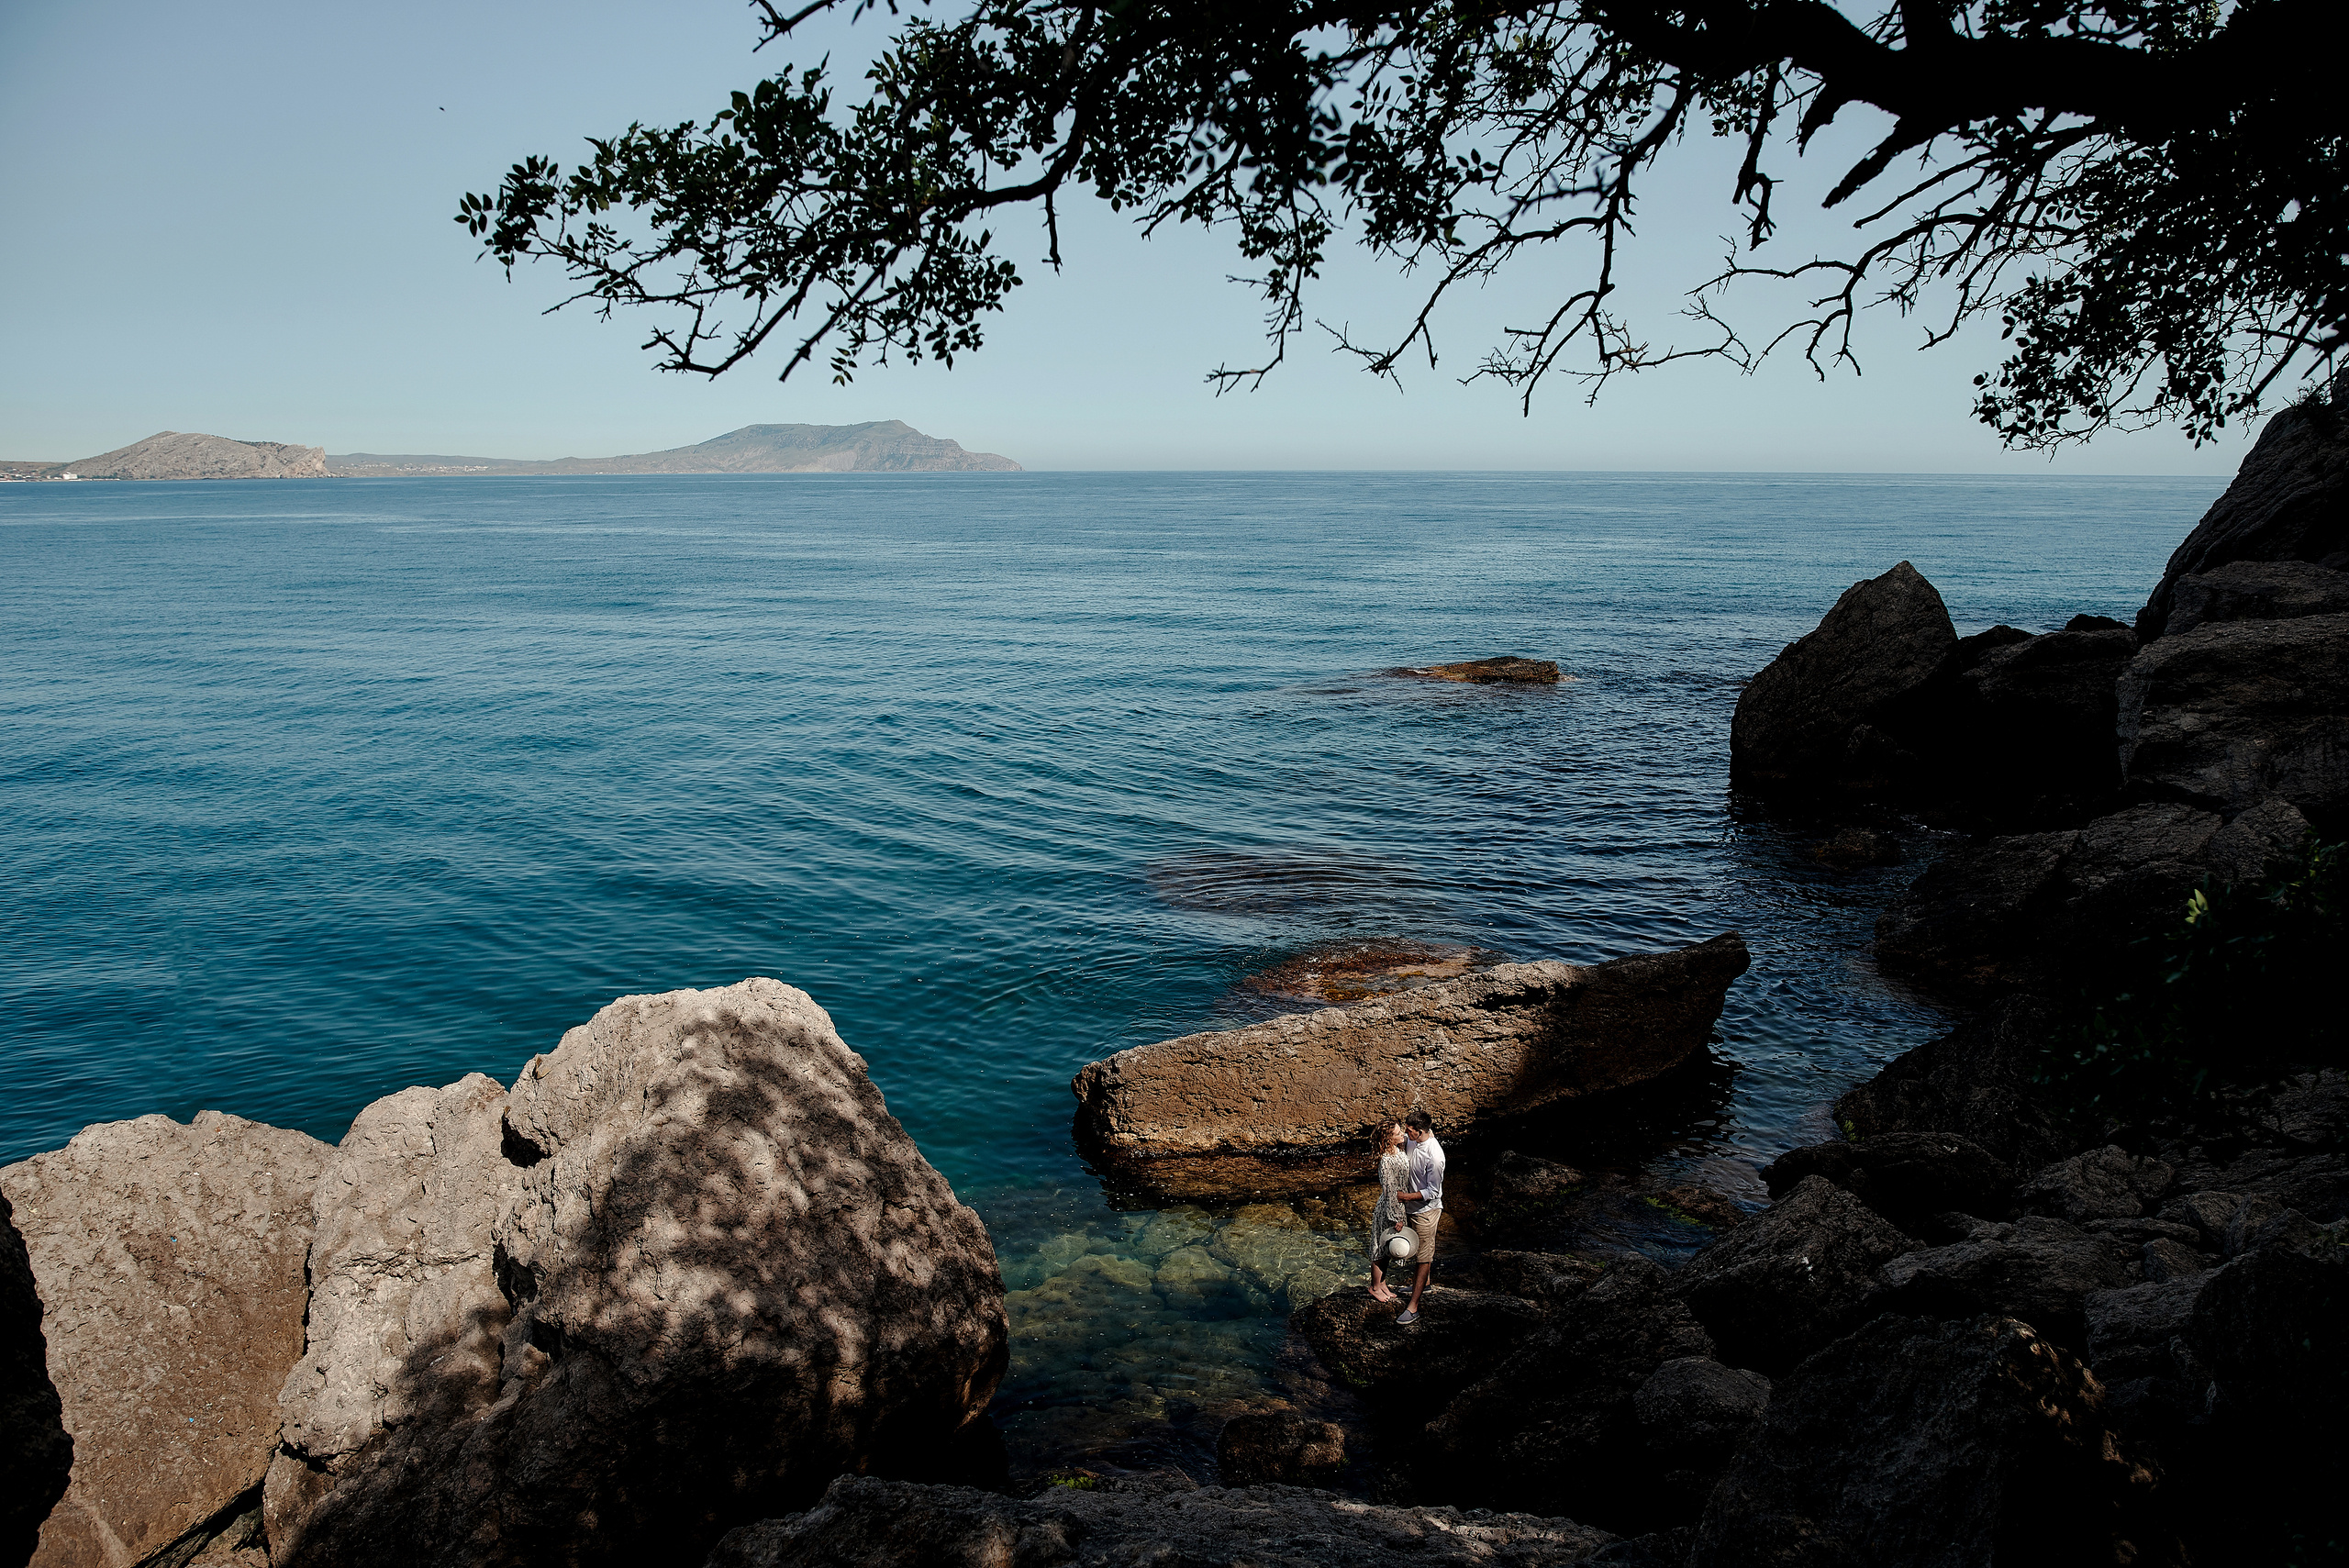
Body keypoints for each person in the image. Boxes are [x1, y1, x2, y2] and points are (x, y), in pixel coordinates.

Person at [1395, 1109, 1444, 1326]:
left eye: (1409, 1131)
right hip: (1411, 1208)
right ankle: (1426, 1284)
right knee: (1418, 1252)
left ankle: (1413, 1307)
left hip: (1426, 1212)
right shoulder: (1414, 1140)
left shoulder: (1434, 1156)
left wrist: (1404, 1196)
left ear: (1421, 1131)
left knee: (1423, 1257)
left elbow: (1434, 1192)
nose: (1406, 1134)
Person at [1367, 1121, 1409, 1303]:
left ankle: (1382, 1283)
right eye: (1399, 1133)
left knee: (1389, 1248)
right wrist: (1396, 1217)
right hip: (1388, 1209)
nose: (1403, 1134)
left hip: (1399, 1205)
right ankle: (1375, 1286)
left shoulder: (1399, 1151)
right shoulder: (1386, 1161)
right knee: (1380, 1248)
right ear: (1388, 1139)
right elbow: (1389, 1190)